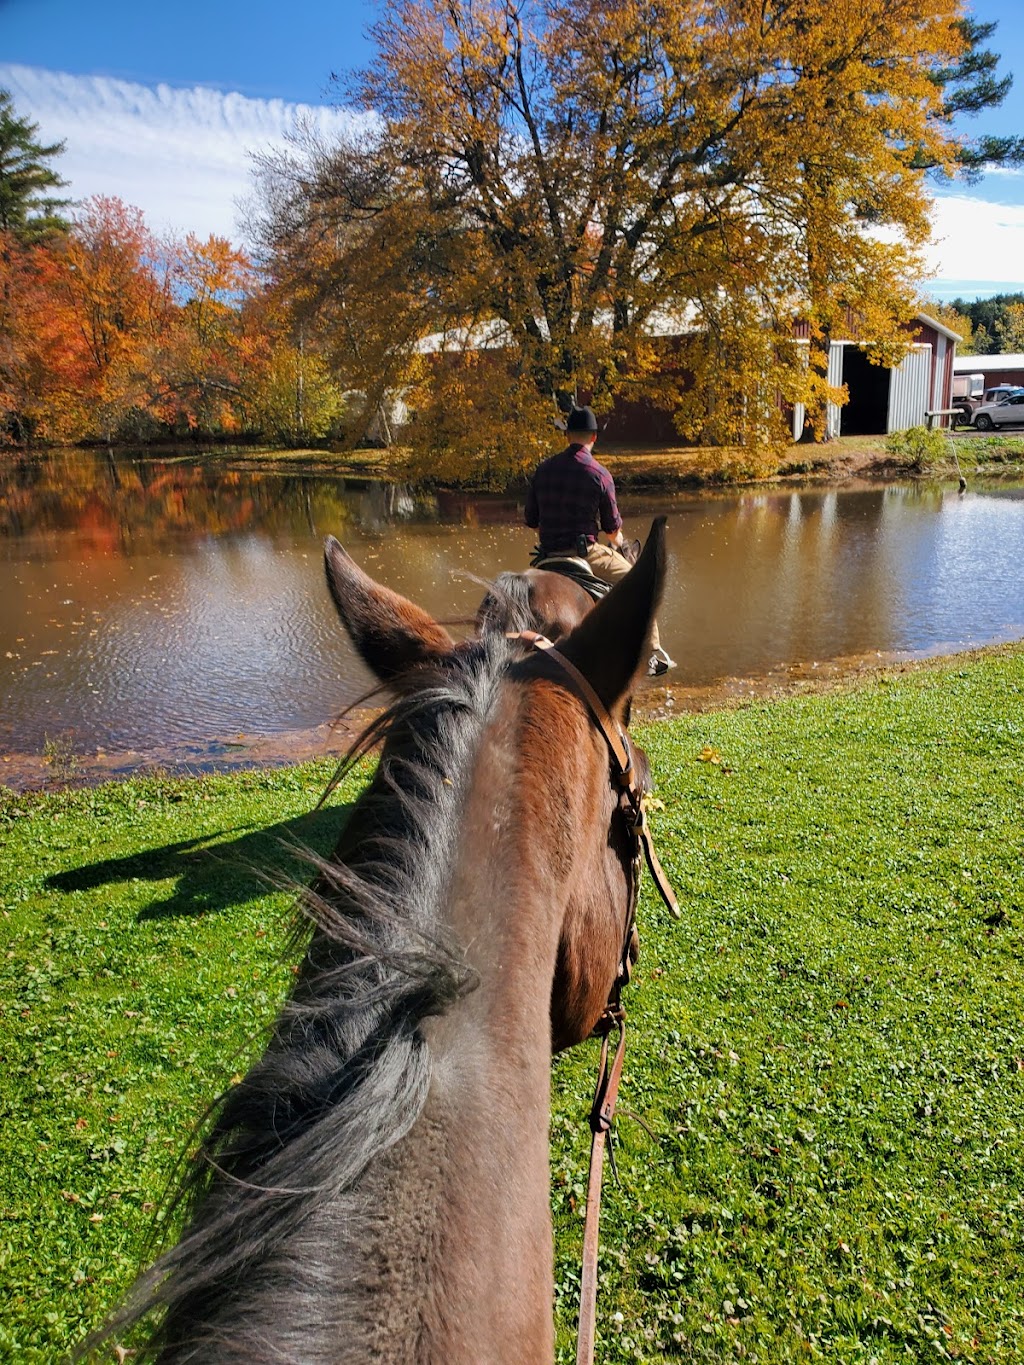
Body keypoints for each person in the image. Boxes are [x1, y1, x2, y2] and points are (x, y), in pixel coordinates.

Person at [524, 405, 675, 677]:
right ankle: (653, 653)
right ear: (593, 438)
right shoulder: (599, 474)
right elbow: (612, 531)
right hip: (586, 554)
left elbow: (532, 521)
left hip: (547, 556)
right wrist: (620, 544)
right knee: (640, 582)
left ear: (567, 435)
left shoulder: (543, 470)